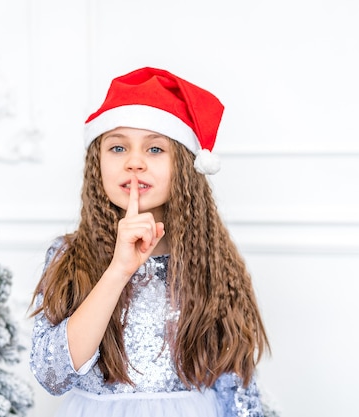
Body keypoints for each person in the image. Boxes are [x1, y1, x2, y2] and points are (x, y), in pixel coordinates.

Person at [29, 67, 270, 417]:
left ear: (185, 168)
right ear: (97, 164)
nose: (135, 162)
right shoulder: (69, 256)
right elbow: (52, 375)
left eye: (155, 148)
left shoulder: (212, 260)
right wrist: (118, 270)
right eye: (117, 147)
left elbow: (237, 386)